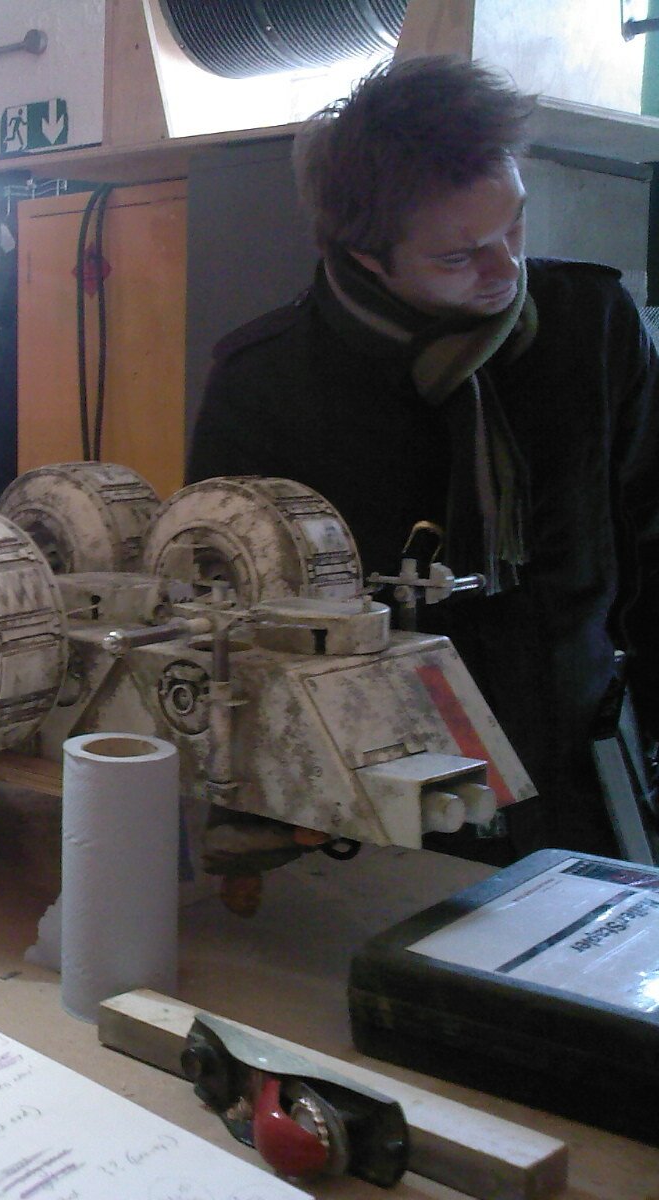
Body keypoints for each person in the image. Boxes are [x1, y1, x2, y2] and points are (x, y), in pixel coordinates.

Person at [187, 56, 659, 865]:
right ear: (369, 256)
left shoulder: (593, 326)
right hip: (383, 809)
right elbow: (226, 622)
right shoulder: (266, 384)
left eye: (515, 225)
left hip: (588, 781)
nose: (506, 268)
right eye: (459, 256)